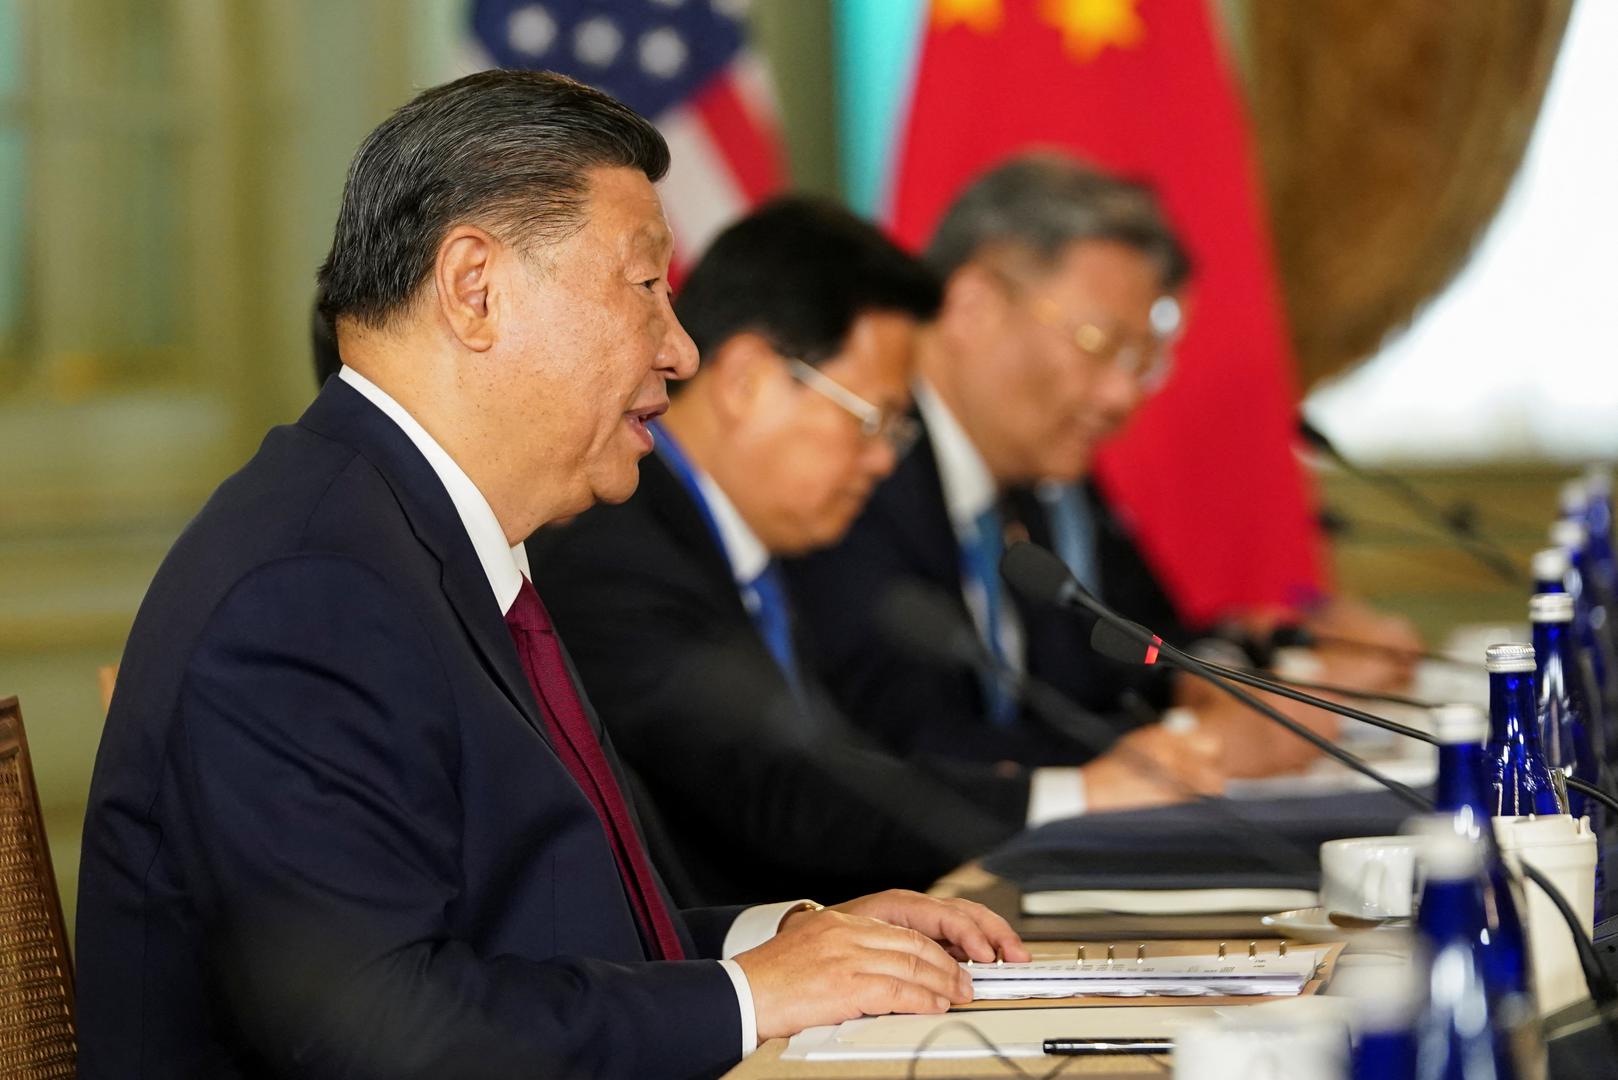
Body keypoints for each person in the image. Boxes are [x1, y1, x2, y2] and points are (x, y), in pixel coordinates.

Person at [74, 70, 1028, 1080]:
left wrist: (785, 945)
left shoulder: (423, 538)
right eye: (646, 285)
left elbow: (544, 940)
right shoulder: (311, 586)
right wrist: (753, 995)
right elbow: (387, 1031)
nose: (681, 349)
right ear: (476, 288)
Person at [528, 198, 1221, 907]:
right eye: (874, 421)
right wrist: (1074, 793)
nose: (885, 462)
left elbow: (848, 764)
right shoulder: (616, 557)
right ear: (746, 381)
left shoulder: (751, 554)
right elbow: (782, 798)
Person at [789, 155, 1374, 780]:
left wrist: (1245, 665)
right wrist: (1190, 745)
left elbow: (1141, 645)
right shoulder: (862, 469)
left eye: (1144, 361)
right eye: (1100, 345)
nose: (1122, 397)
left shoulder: (1039, 466)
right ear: (973, 306)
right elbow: (910, 748)